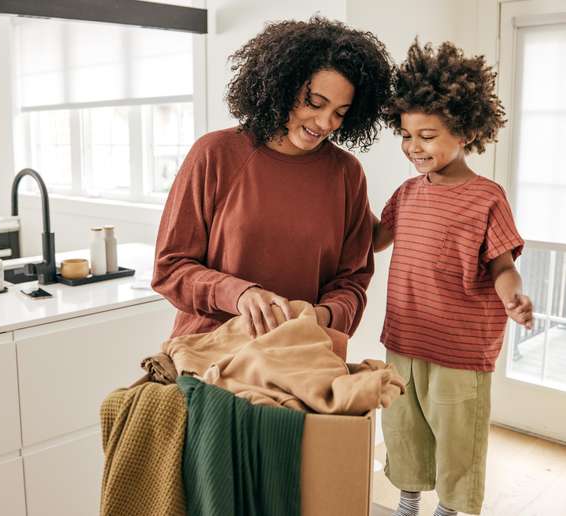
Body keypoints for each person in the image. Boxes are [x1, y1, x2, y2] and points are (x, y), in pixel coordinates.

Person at [151, 17, 392, 340]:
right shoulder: (215, 154)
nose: (324, 122)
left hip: (301, 356)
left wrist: (323, 316)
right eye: (315, 103)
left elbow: (352, 281)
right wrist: (240, 295)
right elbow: (171, 269)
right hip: (212, 352)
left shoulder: (346, 173)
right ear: (284, 86)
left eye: (340, 112)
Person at [373, 40, 534, 516]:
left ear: (463, 132)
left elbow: (502, 265)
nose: (413, 147)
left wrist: (515, 298)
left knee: (457, 435)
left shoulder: (487, 197)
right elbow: (375, 239)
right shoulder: (406, 193)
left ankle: (448, 507)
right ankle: (407, 500)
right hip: (405, 336)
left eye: (426, 135)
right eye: (405, 134)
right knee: (402, 426)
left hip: (461, 346)